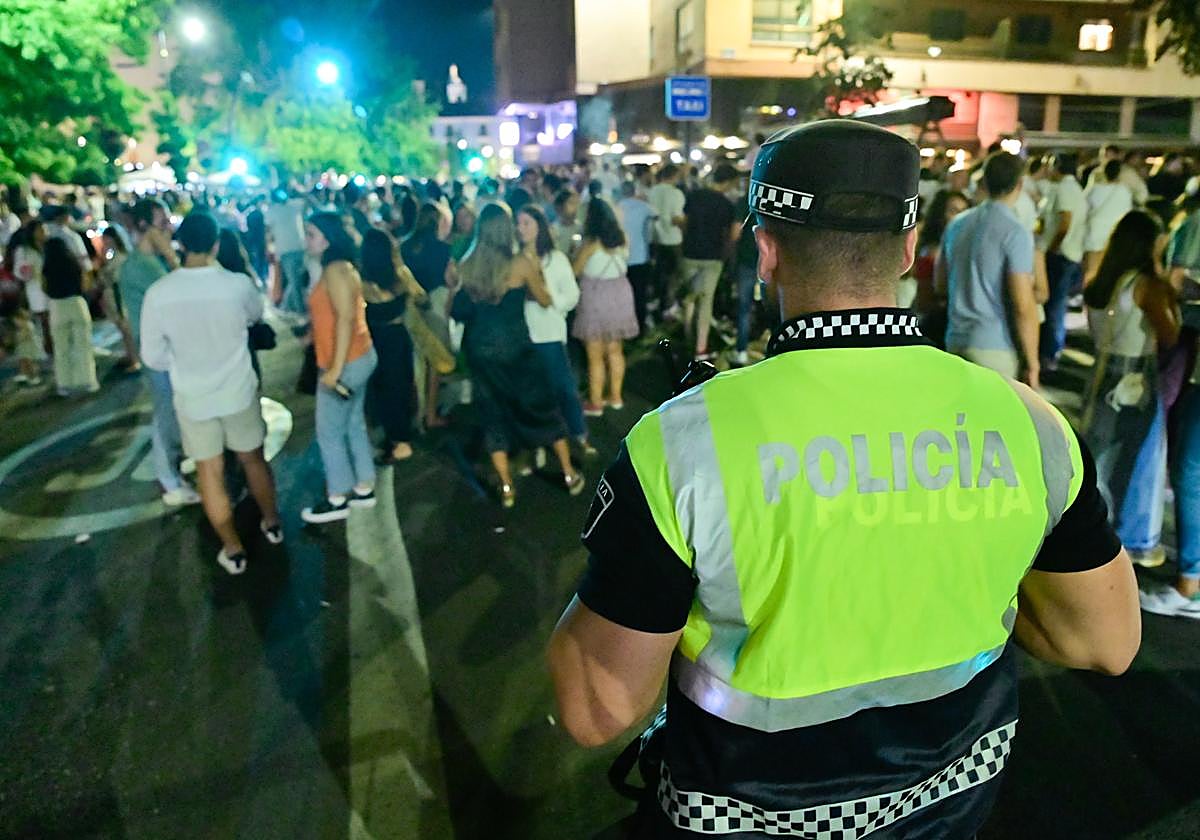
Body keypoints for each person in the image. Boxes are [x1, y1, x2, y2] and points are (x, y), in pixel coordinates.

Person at [547, 119, 1141, 839]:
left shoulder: (680, 445)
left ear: (766, 250)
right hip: (946, 814)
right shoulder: (1030, 423)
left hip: (742, 816)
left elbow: (593, 710)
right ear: (909, 249)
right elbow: (1108, 644)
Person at [140, 213, 282, 575]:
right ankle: (271, 523)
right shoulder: (235, 285)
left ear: (181, 244)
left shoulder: (160, 293)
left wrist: (183, 358)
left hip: (194, 396)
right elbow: (254, 316)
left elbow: (152, 356)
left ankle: (233, 549)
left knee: (209, 471)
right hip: (237, 390)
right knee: (253, 459)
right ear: (216, 244)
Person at [450, 203, 585, 507]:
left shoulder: (467, 264)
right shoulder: (520, 264)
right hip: (516, 345)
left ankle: (507, 487)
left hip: (481, 348)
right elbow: (544, 299)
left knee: (492, 413)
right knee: (540, 405)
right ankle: (567, 473)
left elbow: (457, 310)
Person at [1081, 210, 1179, 569]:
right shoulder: (1146, 285)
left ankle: (1091, 528)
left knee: (1100, 454)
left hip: (1103, 374)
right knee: (1136, 461)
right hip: (1136, 378)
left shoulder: (1103, 281)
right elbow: (1170, 333)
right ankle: (1130, 537)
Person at [301, 212, 379, 524]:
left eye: (311, 234)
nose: (306, 240)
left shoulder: (335, 269)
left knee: (329, 431)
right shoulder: (339, 267)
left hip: (345, 361)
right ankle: (363, 486)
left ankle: (338, 497)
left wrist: (333, 370)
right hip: (357, 356)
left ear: (328, 237)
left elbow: (346, 317)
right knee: (353, 424)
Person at [119, 200, 196, 507]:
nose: (168, 227)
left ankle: (176, 467)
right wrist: (170, 255)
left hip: (167, 345)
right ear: (143, 227)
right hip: (157, 350)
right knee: (166, 411)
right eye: (161, 222)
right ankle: (169, 480)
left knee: (175, 407)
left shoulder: (151, 264)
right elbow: (182, 292)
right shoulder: (142, 266)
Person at [939, 152, 1041, 385]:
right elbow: (1022, 305)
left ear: (984, 181)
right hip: (995, 345)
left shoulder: (957, 224)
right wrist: (1032, 362)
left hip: (955, 338)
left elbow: (941, 284)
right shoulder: (1015, 232)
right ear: (1020, 184)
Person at [517, 204, 594, 457]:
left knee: (563, 387)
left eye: (527, 223)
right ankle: (537, 444)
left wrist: (552, 302)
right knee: (530, 393)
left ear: (539, 226)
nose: (521, 228)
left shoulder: (555, 259)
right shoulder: (513, 260)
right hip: (521, 335)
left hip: (549, 332)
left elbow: (571, 295)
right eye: (518, 223)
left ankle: (578, 432)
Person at [361, 228, 424, 464]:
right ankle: (403, 434)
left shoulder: (363, 283)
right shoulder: (401, 275)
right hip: (399, 335)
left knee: (384, 390)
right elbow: (421, 297)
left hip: (376, 339)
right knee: (402, 385)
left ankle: (399, 441)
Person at [571, 197, 639, 417]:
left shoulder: (590, 244)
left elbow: (575, 271)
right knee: (615, 350)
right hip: (620, 293)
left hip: (596, 296)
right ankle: (616, 397)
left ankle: (596, 402)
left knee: (594, 355)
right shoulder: (623, 239)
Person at [680, 164, 741, 360]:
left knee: (690, 300)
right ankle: (700, 349)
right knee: (706, 302)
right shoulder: (727, 205)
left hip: (690, 253)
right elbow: (731, 235)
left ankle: (687, 338)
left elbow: (685, 223)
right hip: (713, 257)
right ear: (729, 182)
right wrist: (725, 256)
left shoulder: (694, 196)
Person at [402, 202, 454, 430]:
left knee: (414, 364)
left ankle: (415, 412)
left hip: (410, 309)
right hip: (435, 306)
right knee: (436, 361)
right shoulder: (443, 249)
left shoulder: (404, 247)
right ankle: (430, 414)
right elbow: (450, 280)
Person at [1038, 153, 1087, 371]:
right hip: (1066, 255)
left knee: (1054, 306)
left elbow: (1065, 221)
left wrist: (1053, 247)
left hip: (1061, 256)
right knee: (1056, 305)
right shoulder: (1071, 188)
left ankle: (1050, 354)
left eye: (1049, 164)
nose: (1047, 169)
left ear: (1058, 166)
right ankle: (1051, 351)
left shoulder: (1066, 189)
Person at [911, 190, 969, 344]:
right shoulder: (930, 252)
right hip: (934, 325)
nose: (959, 217)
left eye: (964, 211)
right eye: (953, 211)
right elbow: (923, 302)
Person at [42, 237, 98, 396]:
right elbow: (85, 285)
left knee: (61, 348)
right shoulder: (74, 263)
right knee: (83, 345)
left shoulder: (46, 267)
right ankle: (88, 381)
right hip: (76, 303)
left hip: (57, 306)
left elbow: (44, 287)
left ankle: (64, 384)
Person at [5, 221, 48, 385]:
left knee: (35, 332)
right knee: (30, 333)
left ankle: (30, 368)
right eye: (41, 230)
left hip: (46, 295)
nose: (44, 232)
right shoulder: (24, 251)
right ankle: (31, 369)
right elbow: (21, 273)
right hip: (32, 296)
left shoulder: (45, 248)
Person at [1083, 160, 1134, 282]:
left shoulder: (1095, 190)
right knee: (1112, 272)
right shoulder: (1125, 192)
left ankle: (1089, 296)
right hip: (1114, 236)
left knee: (1092, 270)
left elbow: (1083, 209)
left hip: (1094, 235)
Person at [97, 224, 140, 371]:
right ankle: (130, 355)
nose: (105, 242)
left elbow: (116, 280)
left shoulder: (121, 258)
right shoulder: (112, 256)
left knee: (126, 328)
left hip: (119, 297)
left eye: (107, 239)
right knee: (123, 329)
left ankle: (135, 359)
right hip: (113, 296)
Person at [647, 164, 687, 320]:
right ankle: (669, 307)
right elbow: (676, 218)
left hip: (655, 238)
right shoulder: (676, 193)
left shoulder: (652, 191)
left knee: (659, 273)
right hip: (673, 239)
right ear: (674, 176)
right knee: (673, 275)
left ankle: (657, 303)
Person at [617, 181, 656, 332]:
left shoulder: (617, 207)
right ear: (634, 191)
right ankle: (640, 327)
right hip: (640, 257)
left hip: (622, 259)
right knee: (640, 294)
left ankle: (625, 327)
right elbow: (657, 215)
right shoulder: (643, 206)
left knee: (623, 296)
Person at [266, 188, 309, 317]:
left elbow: (268, 232)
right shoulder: (295, 205)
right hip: (296, 249)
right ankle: (299, 310)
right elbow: (307, 200)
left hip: (288, 249)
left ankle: (286, 307)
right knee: (295, 281)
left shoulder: (273, 211)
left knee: (294, 280)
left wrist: (269, 249)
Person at [551, 189, 582, 256]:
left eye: (577, 203)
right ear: (560, 206)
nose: (575, 207)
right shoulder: (554, 230)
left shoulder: (580, 228)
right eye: (571, 203)